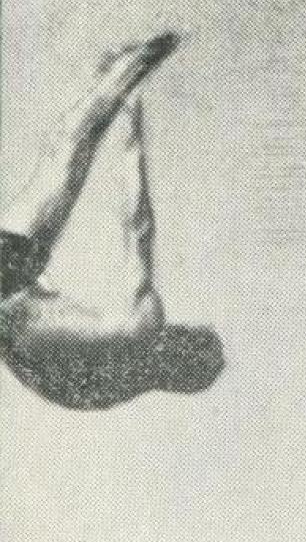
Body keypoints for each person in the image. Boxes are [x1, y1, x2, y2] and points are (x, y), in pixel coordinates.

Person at [1, 36, 224, 411]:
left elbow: (137, 226)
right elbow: (34, 363)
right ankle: (123, 76)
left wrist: (131, 123)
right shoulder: (110, 394)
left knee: (70, 148)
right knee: (66, 151)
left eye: (183, 332)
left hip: (9, 280)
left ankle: (128, 74)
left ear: (179, 342)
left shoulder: (146, 327)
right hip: (9, 303)